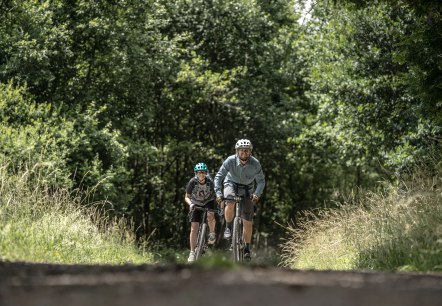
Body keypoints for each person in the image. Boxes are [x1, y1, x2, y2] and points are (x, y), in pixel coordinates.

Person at [214, 139, 265, 261]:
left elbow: (261, 181)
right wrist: (218, 193)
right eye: (241, 150)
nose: (244, 152)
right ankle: (228, 226)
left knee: (248, 220)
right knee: (230, 202)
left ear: (250, 152)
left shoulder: (255, 163)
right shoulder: (230, 160)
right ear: (237, 151)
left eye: (246, 150)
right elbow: (219, 177)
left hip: (247, 189)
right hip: (230, 184)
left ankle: (247, 248)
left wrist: (257, 194)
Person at [184, 162, 217, 263]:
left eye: (203, 172)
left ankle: (212, 233)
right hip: (196, 203)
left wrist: (220, 206)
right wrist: (190, 204)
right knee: (194, 228)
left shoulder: (210, 181)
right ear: (196, 173)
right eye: (199, 173)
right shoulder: (192, 182)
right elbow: (186, 196)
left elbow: (217, 195)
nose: (201, 175)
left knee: (210, 215)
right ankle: (192, 252)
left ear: (206, 173)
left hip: (208, 201)